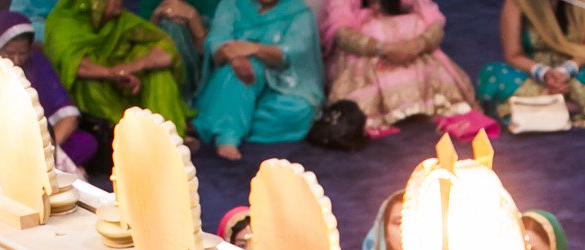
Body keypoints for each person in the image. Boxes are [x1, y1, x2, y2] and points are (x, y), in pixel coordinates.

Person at [0, 12, 104, 175]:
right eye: (9, 53)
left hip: (41, 140)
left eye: (22, 53)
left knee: (86, 143)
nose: (16, 60)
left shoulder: (37, 63)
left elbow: (69, 117)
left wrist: (44, 152)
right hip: (1, 143)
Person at [320, 0, 477, 135]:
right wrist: (385, 48)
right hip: (371, 56)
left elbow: (434, 26)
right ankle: (385, 109)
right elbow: (342, 34)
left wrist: (415, 45)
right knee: (376, 29)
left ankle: (421, 103)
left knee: (412, 24)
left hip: (411, 51)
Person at [192, 0, 321, 161]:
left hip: (280, 84)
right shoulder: (231, 5)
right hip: (234, 79)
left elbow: (294, 52)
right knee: (242, 73)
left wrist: (254, 49)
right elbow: (217, 44)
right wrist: (236, 58)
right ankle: (227, 134)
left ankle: (218, 119)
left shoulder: (298, 11)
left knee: (301, 111)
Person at [42, 0, 189, 136]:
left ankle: (167, 136)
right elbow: (74, 63)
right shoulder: (63, 21)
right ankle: (123, 135)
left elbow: (166, 49)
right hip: (79, 95)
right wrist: (110, 73)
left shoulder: (122, 21)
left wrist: (131, 67)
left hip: (126, 86)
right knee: (88, 84)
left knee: (158, 72)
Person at [491, 0, 585, 126]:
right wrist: (544, 74)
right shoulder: (517, 3)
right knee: (494, 73)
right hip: (533, 77)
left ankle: (549, 104)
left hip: (578, 75)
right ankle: (569, 105)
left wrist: (565, 71)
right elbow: (513, 55)